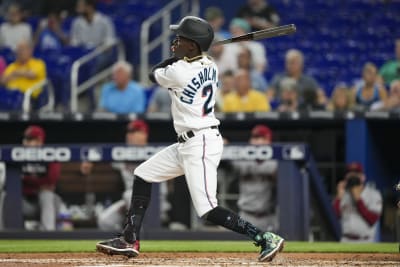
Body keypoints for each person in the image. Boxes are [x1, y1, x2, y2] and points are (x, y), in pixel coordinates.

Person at [96, 16, 284, 262]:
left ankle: (265, 238)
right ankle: (129, 238)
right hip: (188, 142)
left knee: (207, 209)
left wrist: (176, 58)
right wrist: (187, 53)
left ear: (193, 45)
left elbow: (155, 74)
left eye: (181, 39)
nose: (175, 42)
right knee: (143, 174)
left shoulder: (179, 71)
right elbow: (184, 63)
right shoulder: (210, 64)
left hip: (201, 143)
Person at [97, 120, 149, 231]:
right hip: (129, 200)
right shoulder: (121, 153)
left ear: (144, 135)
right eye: (129, 132)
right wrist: (89, 161)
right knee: (104, 220)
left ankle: (139, 235)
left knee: (129, 195)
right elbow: (101, 155)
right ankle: (124, 237)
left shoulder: (153, 152)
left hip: (153, 200)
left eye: (134, 132)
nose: (129, 135)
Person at [234, 125, 278, 232]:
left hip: (269, 216)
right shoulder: (241, 159)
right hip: (245, 215)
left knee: (275, 245)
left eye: (262, 138)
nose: (258, 142)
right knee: (241, 246)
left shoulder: (276, 162)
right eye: (255, 138)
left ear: (269, 141)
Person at [21, 125, 64, 230]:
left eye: (30, 139)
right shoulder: (18, 155)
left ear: (39, 141)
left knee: (47, 194)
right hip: (24, 203)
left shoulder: (50, 155)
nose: (26, 142)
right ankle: (4, 234)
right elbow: (13, 182)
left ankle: (48, 235)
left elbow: (51, 180)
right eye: (26, 139)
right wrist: (37, 186)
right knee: (7, 195)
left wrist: (27, 182)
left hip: (47, 205)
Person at [333, 162, 383, 242]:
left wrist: (358, 200)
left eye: (356, 173)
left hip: (366, 241)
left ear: (363, 177)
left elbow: (372, 219)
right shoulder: (343, 194)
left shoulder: (373, 194)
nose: (353, 176)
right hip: (346, 240)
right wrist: (338, 198)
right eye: (350, 173)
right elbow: (335, 216)